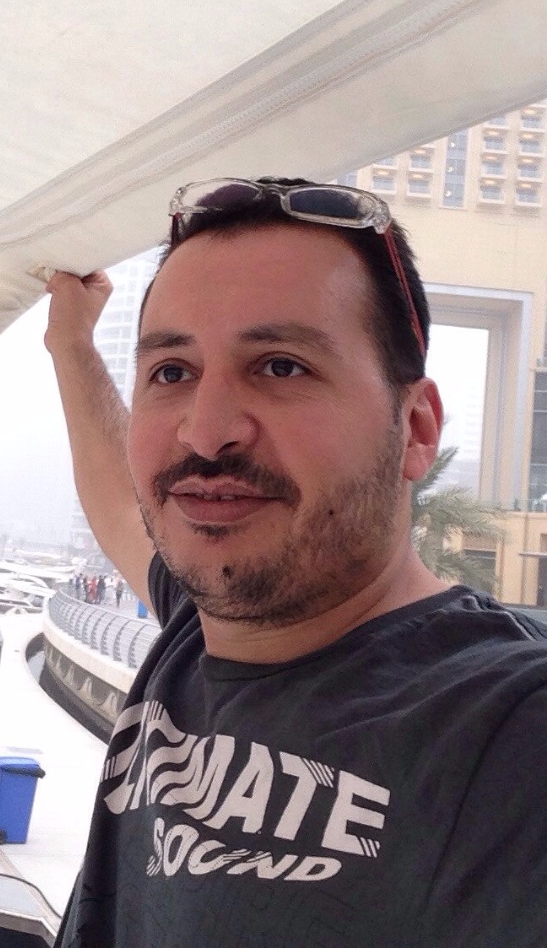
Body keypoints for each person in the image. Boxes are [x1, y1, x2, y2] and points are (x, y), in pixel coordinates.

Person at [44, 177, 547, 947]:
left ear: (415, 430)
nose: (205, 433)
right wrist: (71, 344)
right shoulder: (200, 624)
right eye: (172, 372)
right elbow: (119, 501)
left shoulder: (505, 728)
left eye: (281, 367)